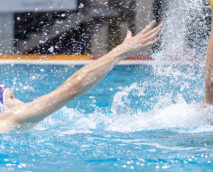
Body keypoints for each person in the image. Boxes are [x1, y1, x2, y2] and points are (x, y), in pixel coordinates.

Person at [0, 21, 163, 133]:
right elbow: (71, 89)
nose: (21, 102)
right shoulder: (10, 117)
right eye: (12, 97)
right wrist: (120, 51)